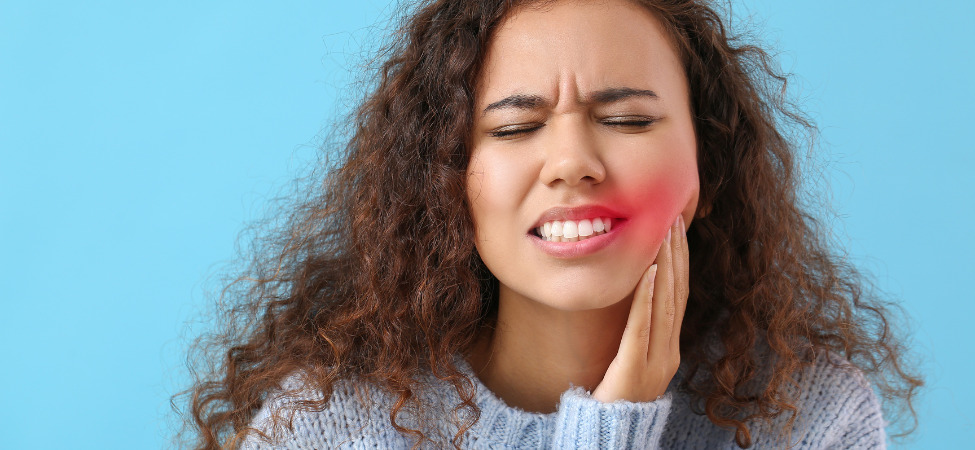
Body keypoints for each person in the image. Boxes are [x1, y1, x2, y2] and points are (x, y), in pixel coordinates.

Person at [178, 0, 922, 448]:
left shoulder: (809, 418)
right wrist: (615, 426)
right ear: (445, 181)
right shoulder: (327, 427)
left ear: (706, 162)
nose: (571, 162)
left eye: (627, 118)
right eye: (511, 128)